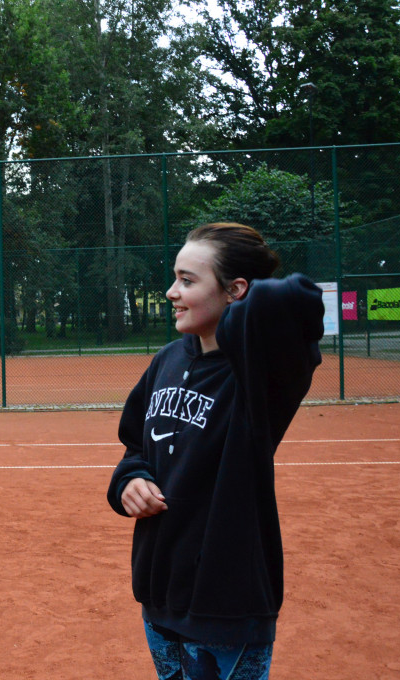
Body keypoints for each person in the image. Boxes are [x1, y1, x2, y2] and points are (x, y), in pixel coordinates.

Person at [107, 222, 324, 680]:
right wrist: (130, 481)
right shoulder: (167, 359)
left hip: (227, 604)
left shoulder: (261, 377)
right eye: (174, 277)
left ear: (236, 290)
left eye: (188, 280)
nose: (171, 292)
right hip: (162, 594)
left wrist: (241, 308)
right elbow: (134, 447)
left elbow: (298, 303)